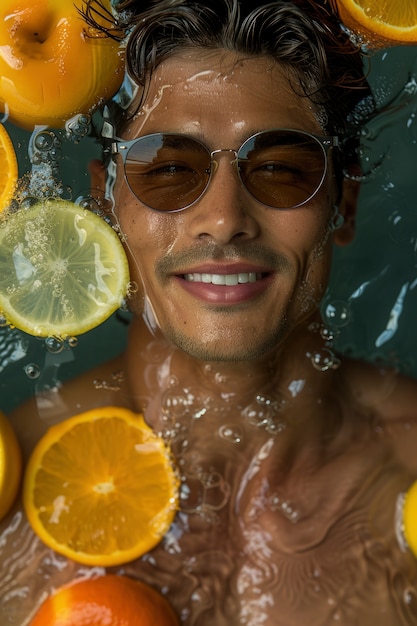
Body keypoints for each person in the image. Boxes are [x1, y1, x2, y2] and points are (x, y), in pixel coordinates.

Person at [2, 0, 417, 624]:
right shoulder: (12, 503)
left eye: (280, 169)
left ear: (344, 203)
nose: (224, 217)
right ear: (107, 205)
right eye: (169, 169)